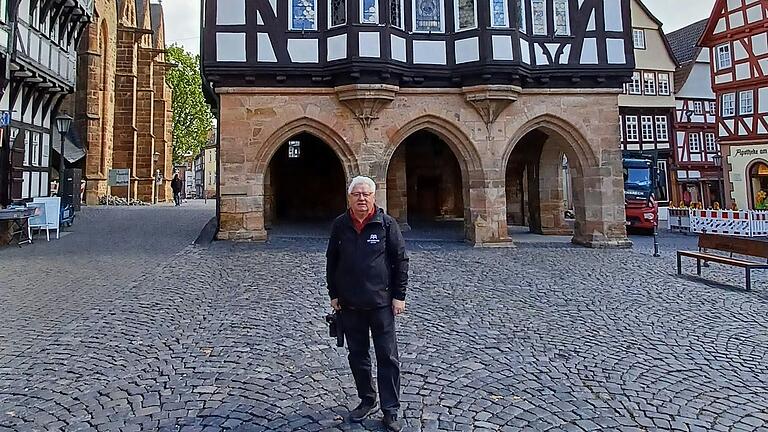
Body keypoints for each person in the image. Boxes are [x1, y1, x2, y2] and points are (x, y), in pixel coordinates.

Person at [326, 176, 409, 432]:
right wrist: (334, 294)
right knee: (358, 356)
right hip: (350, 304)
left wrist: (399, 296)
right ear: (349, 197)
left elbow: (400, 260)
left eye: (366, 194)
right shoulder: (340, 225)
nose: (361, 198)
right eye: (357, 194)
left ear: (374, 197)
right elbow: (332, 260)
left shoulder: (386, 224)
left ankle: (391, 410)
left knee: (387, 357)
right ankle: (367, 399)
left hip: (381, 303)